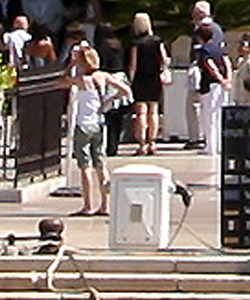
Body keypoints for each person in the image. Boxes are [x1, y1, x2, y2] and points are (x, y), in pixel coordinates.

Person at [60, 47, 132, 216]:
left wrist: (71, 65)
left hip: (83, 124)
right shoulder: (103, 77)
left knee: (85, 165)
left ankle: (87, 204)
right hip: (99, 123)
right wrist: (108, 101)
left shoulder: (82, 80)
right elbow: (126, 91)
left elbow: (61, 82)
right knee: (100, 163)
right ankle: (105, 204)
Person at [128, 12, 170, 156]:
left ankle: (142, 144)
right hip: (154, 78)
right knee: (154, 111)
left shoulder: (136, 44)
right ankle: (152, 142)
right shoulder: (157, 41)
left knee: (141, 113)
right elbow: (164, 60)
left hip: (140, 79)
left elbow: (133, 65)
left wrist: (130, 81)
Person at [185, 0, 226, 149]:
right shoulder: (219, 29)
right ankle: (213, 141)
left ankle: (196, 138)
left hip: (204, 75)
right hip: (216, 76)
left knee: (197, 107)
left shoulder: (202, 30)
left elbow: (202, 55)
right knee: (214, 111)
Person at [95, 22, 132, 156]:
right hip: (120, 77)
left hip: (108, 79)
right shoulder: (119, 45)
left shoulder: (102, 47)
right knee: (118, 117)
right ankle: (114, 145)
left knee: (107, 114)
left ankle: (106, 145)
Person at [197, 24, 232, 156]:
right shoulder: (219, 48)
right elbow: (227, 63)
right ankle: (220, 145)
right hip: (222, 86)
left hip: (210, 85)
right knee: (220, 115)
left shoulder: (204, 50)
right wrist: (227, 79)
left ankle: (211, 146)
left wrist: (220, 78)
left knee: (210, 116)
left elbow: (209, 65)